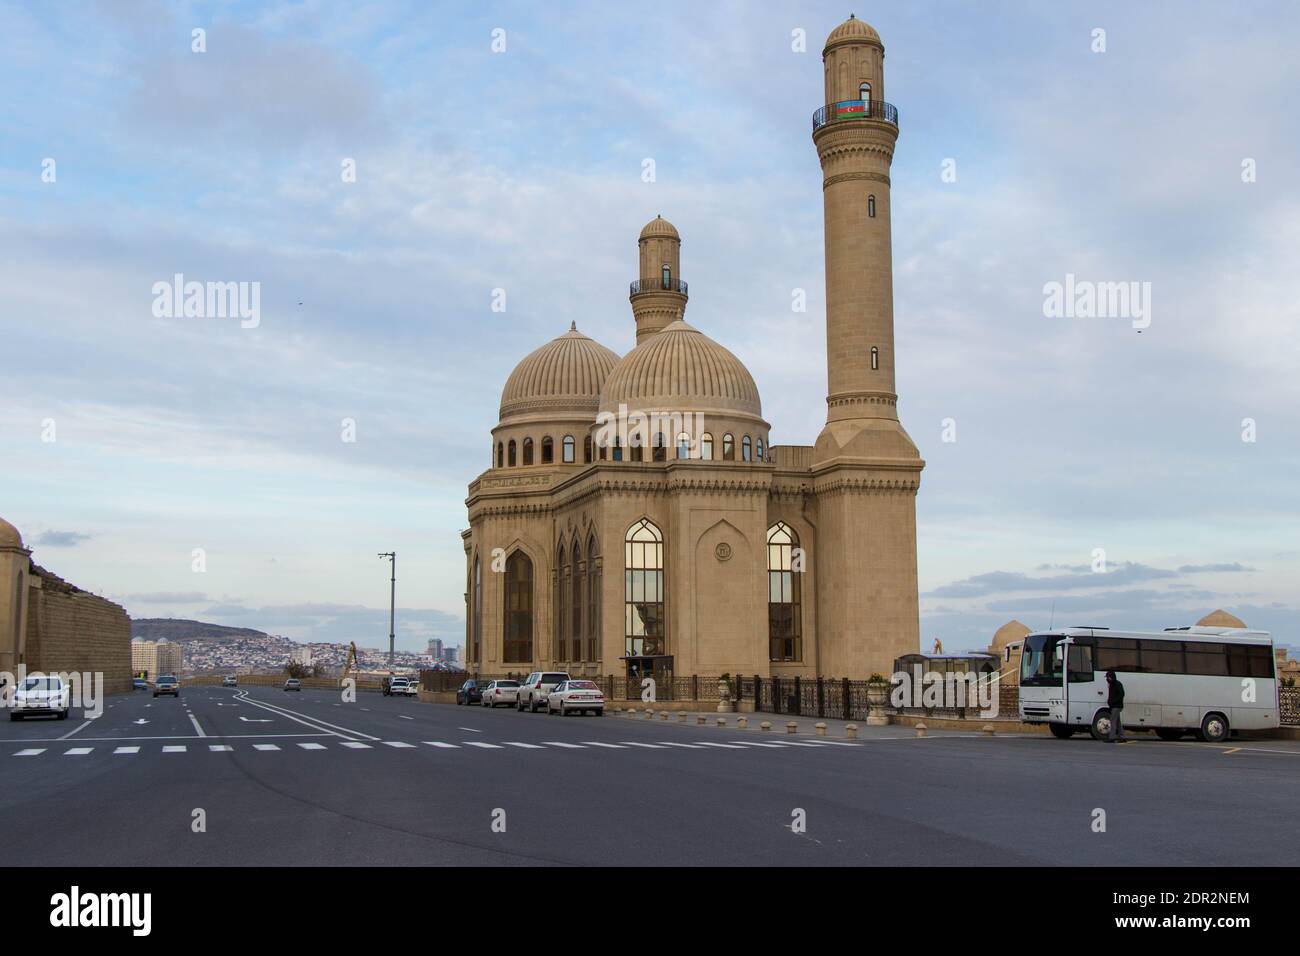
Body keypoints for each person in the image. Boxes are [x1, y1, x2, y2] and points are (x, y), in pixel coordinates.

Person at [1106, 670, 1127, 742]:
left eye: (1108, 677)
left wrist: (1113, 701)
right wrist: (1109, 702)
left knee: (1113, 721)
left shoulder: (1118, 684)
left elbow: (1122, 694)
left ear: (1112, 677)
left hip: (1117, 706)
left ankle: (1111, 738)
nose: (1107, 679)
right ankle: (1122, 737)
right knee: (1117, 722)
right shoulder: (1111, 684)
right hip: (1114, 706)